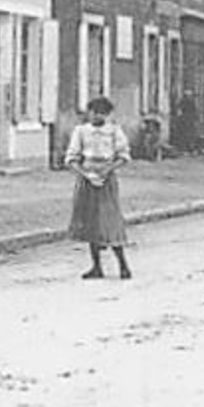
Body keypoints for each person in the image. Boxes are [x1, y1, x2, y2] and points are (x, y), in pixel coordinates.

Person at [66, 96, 133, 280]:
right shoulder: (81, 131)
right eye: (95, 112)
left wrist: (107, 170)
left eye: (103, 113)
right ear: (89, 112)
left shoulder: (114, 131)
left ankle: (123, 265)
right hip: (87, 179)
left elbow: (123, 156)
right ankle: (96, 266)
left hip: (107, 179)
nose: (98, 116)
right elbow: (72, 157)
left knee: (110, 221)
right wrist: (84, 173)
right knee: (90, 222)